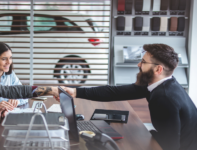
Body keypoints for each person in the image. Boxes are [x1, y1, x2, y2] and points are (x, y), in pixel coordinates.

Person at [60, 44, 197, 150]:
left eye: (143, 62)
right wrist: (76, 92)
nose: (139, 65)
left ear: (158, 69)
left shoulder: (164, 97)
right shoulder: (164, 83)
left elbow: (170, 146)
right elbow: (115, 92)